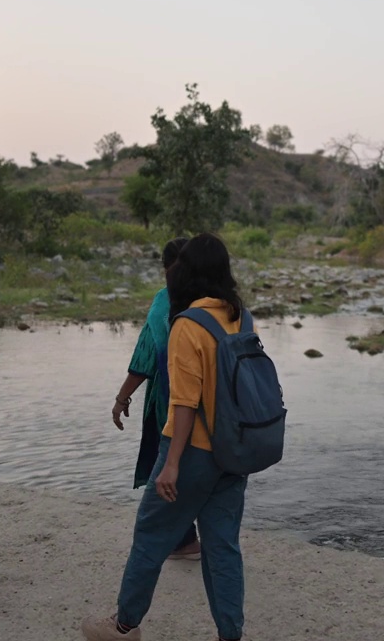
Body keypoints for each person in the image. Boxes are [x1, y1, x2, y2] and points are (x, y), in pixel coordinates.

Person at [82, 233, 252, 641]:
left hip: (192, 450)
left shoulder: (186, 324)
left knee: (150, 534)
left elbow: (184, 403)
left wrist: (171, 463)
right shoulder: (240, 315)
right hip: (234, 449)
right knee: (222, 547)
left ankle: (124, 626)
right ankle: (231, 635)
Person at [111, 237, 201, 561]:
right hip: (210, 407)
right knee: (196, 466)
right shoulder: (211, 302)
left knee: (168, 468)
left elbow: (145, 357)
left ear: (165, 269)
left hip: (171, 405)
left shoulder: (164, 301)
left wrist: (122, 399)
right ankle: (192, 538)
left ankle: (181, 540)